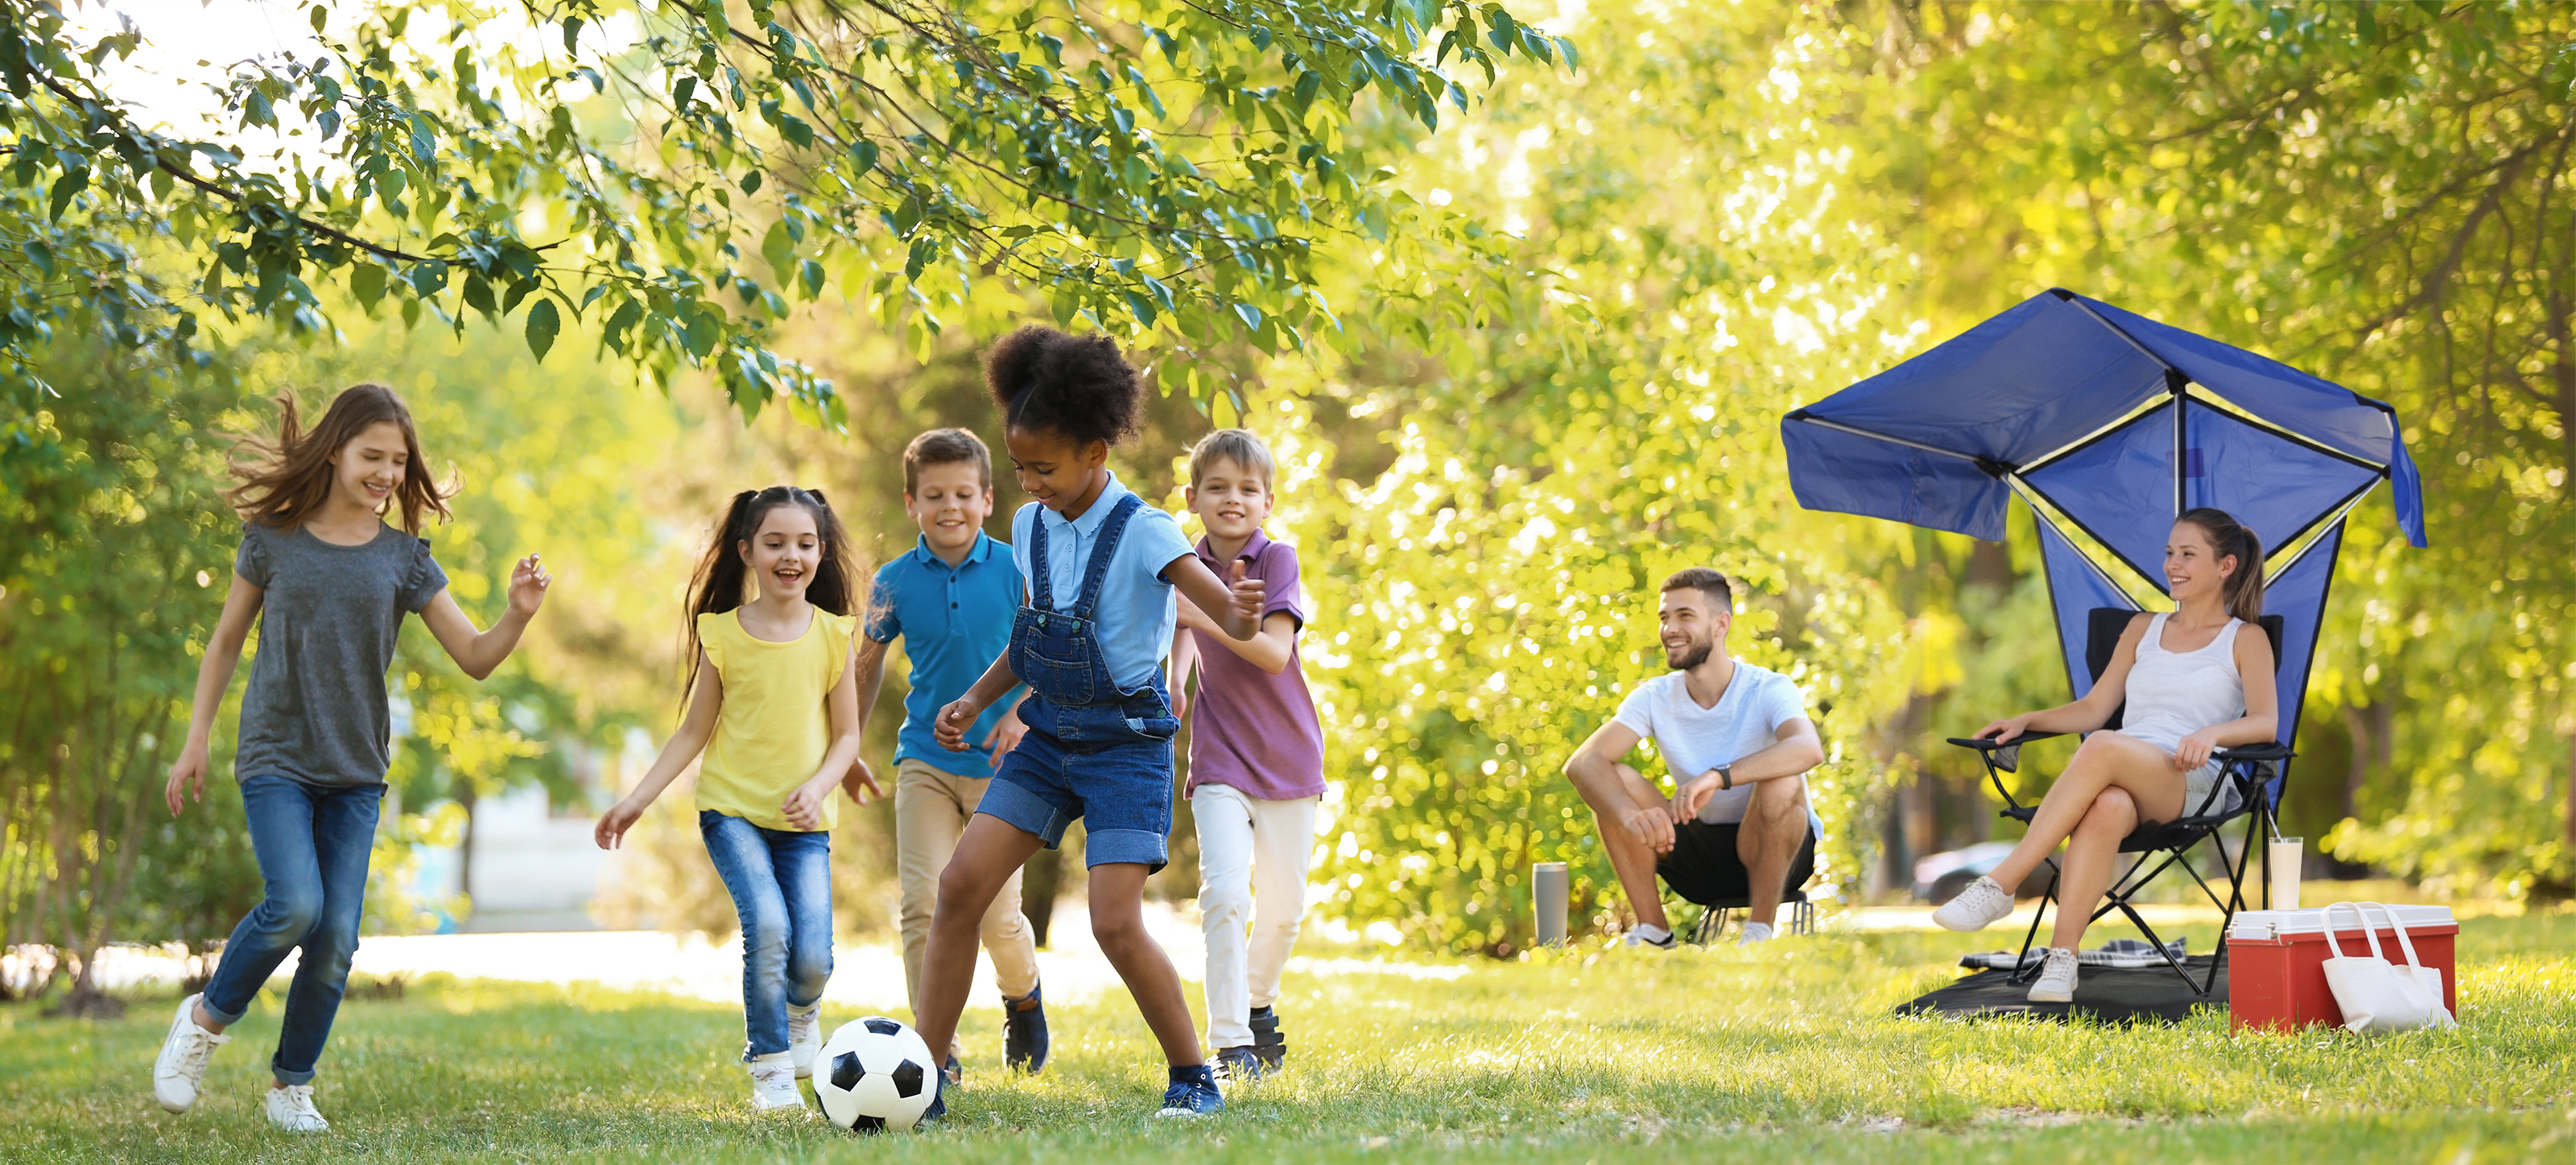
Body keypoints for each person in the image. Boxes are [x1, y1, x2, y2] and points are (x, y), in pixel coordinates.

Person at [153, 384, 551, 1132]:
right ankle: (205, 1021)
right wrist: (196, 737)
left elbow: (474, 656)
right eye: (373, 456)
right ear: (335, 450)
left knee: (336, 936)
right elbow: (226, 638)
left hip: (356, 769)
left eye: (399, 462)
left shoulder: (404, 559)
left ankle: (290, 1086)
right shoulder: (273, 538)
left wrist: (517, 614)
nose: (387, 473)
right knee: (295, 905)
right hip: (276, 754)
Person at [913, 324, 1267, 1122]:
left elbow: (1227, 621)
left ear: (1095, 453)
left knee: (1112, 920)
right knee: (960, 885)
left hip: (1125, 750)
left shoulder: (1144, 528)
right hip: (1046, 740)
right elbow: (1032, 633)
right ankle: (927, 1076)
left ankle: (1192, 1075)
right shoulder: (1034, 526)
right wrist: (976, 698)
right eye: (1020, 469)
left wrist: (1242, 614)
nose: (1030, 484)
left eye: (1045, 467)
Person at [592, 486, 877, 1113]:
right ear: (747, 551)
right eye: (775, 543)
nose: (790, 556)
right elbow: (694, 731)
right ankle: (770, 1065)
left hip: (805, 822)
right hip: (732, 811)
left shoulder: (834, 634)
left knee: (812, 959)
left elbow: (848, 734)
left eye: (804, 543)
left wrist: (821, 783)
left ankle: (804, 1014)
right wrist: (637, 799)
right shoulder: (723, 632)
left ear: (821, 551)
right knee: (768, 926)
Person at [1933, 507, 2277, 1003]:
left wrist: (2214, 733)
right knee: (2107, 805)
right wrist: (2029, 720)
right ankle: (2061, 962)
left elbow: (2266, 722)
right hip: (2127, 771)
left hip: (2194, 779)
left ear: (2226, 566)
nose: (2172, 565)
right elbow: (2095, 709)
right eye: (2169, 553)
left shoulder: (2245, 638)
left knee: (2103, 747)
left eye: (2188, 554)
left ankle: (2002, 883)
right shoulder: (2142, 628)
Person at [857, 428, 1047, 1081]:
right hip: (927, 762)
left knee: (998, 917)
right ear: (911, 502)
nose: (950, 507)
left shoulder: (1018, 567)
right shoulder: (893, 582)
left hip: (1007, 769)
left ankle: (1022, 996)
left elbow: (1049, 648)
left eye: (963, 494)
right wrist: (847, 745)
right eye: (933, 495)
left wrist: (1024, 714)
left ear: (987, 498)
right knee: (922, 904)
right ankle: (933, 1048)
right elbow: (866, 664)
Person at [1166, 429, 1323, 1084]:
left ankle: (1257, 1002)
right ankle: (1230, 1042)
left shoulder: (1276, 559)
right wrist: (1175, 679)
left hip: (1289, 755)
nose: (1233, 499)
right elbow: (1175, 621)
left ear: (1268, 500)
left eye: (1248, 489)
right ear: (1194, 497)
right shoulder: (1184, 565)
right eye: (1218, 487)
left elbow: (1272, 651)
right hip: (1220, 756)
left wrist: (1203, 616)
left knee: (1284, 909)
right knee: (1226, 892)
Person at [1563, 568, 1826, 949]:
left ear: (1722, 624)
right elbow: (1582, 762)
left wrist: (1718, 777)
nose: (1670, 628)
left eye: (1685, 615)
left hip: (1780, 852)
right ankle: (1655, 932)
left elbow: (1807, 748)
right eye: (1664, 617)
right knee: (1609, 779)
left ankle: (1759, 933)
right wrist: (1629, 814)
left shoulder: (1768, 687)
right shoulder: (1654, 696)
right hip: (1698, 860)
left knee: (1783, 777)